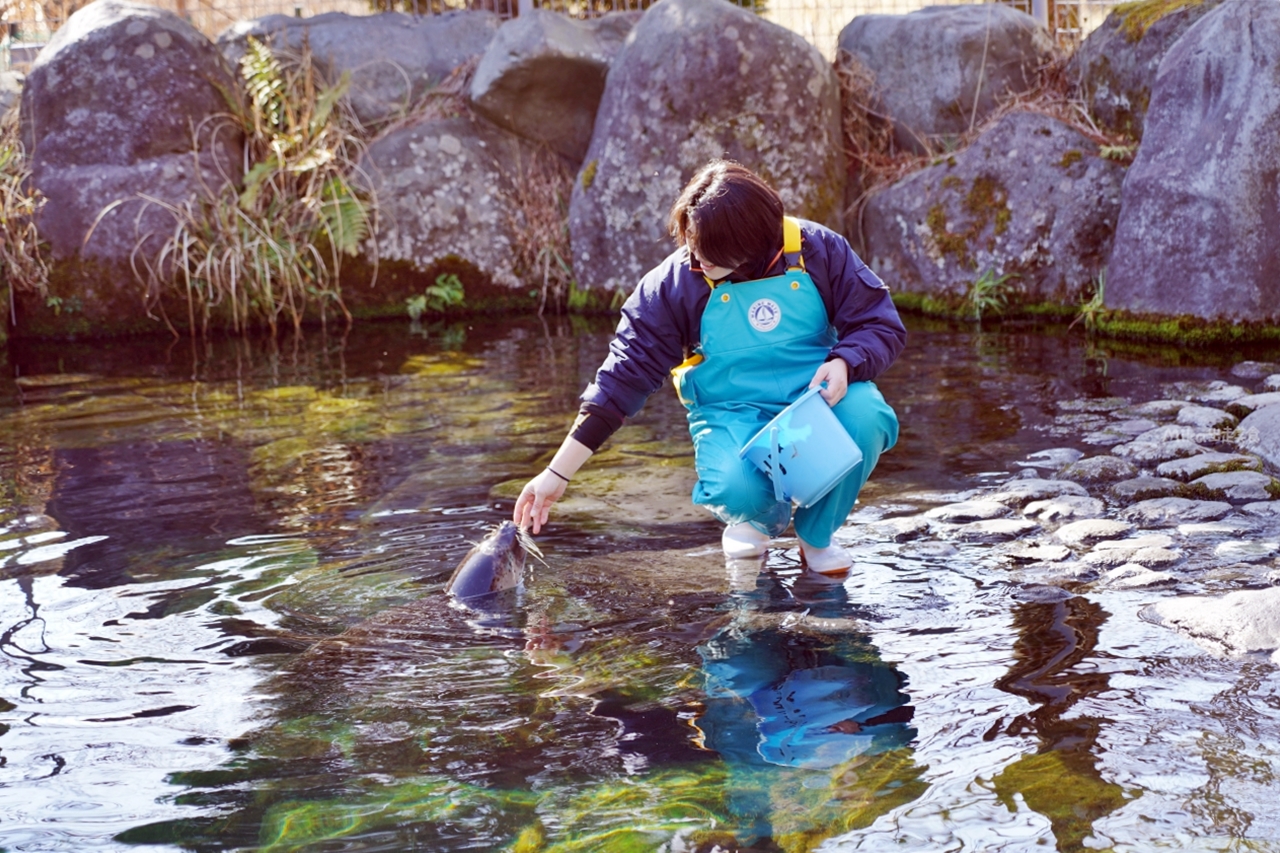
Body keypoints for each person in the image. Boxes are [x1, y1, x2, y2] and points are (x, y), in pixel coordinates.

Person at [513, 159, 904, 574]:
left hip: (817, 399)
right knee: (736, 487)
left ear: (754, 243)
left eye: (710, 257)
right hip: (731, 413)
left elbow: (879, 322)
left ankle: (816, 536)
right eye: (692, 249)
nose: (696, 263)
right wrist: (557, 473)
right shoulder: (673, 284)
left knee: (868, 416)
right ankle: (755, 520)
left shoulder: (819, 250)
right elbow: (622, 378)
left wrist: (845, 360)